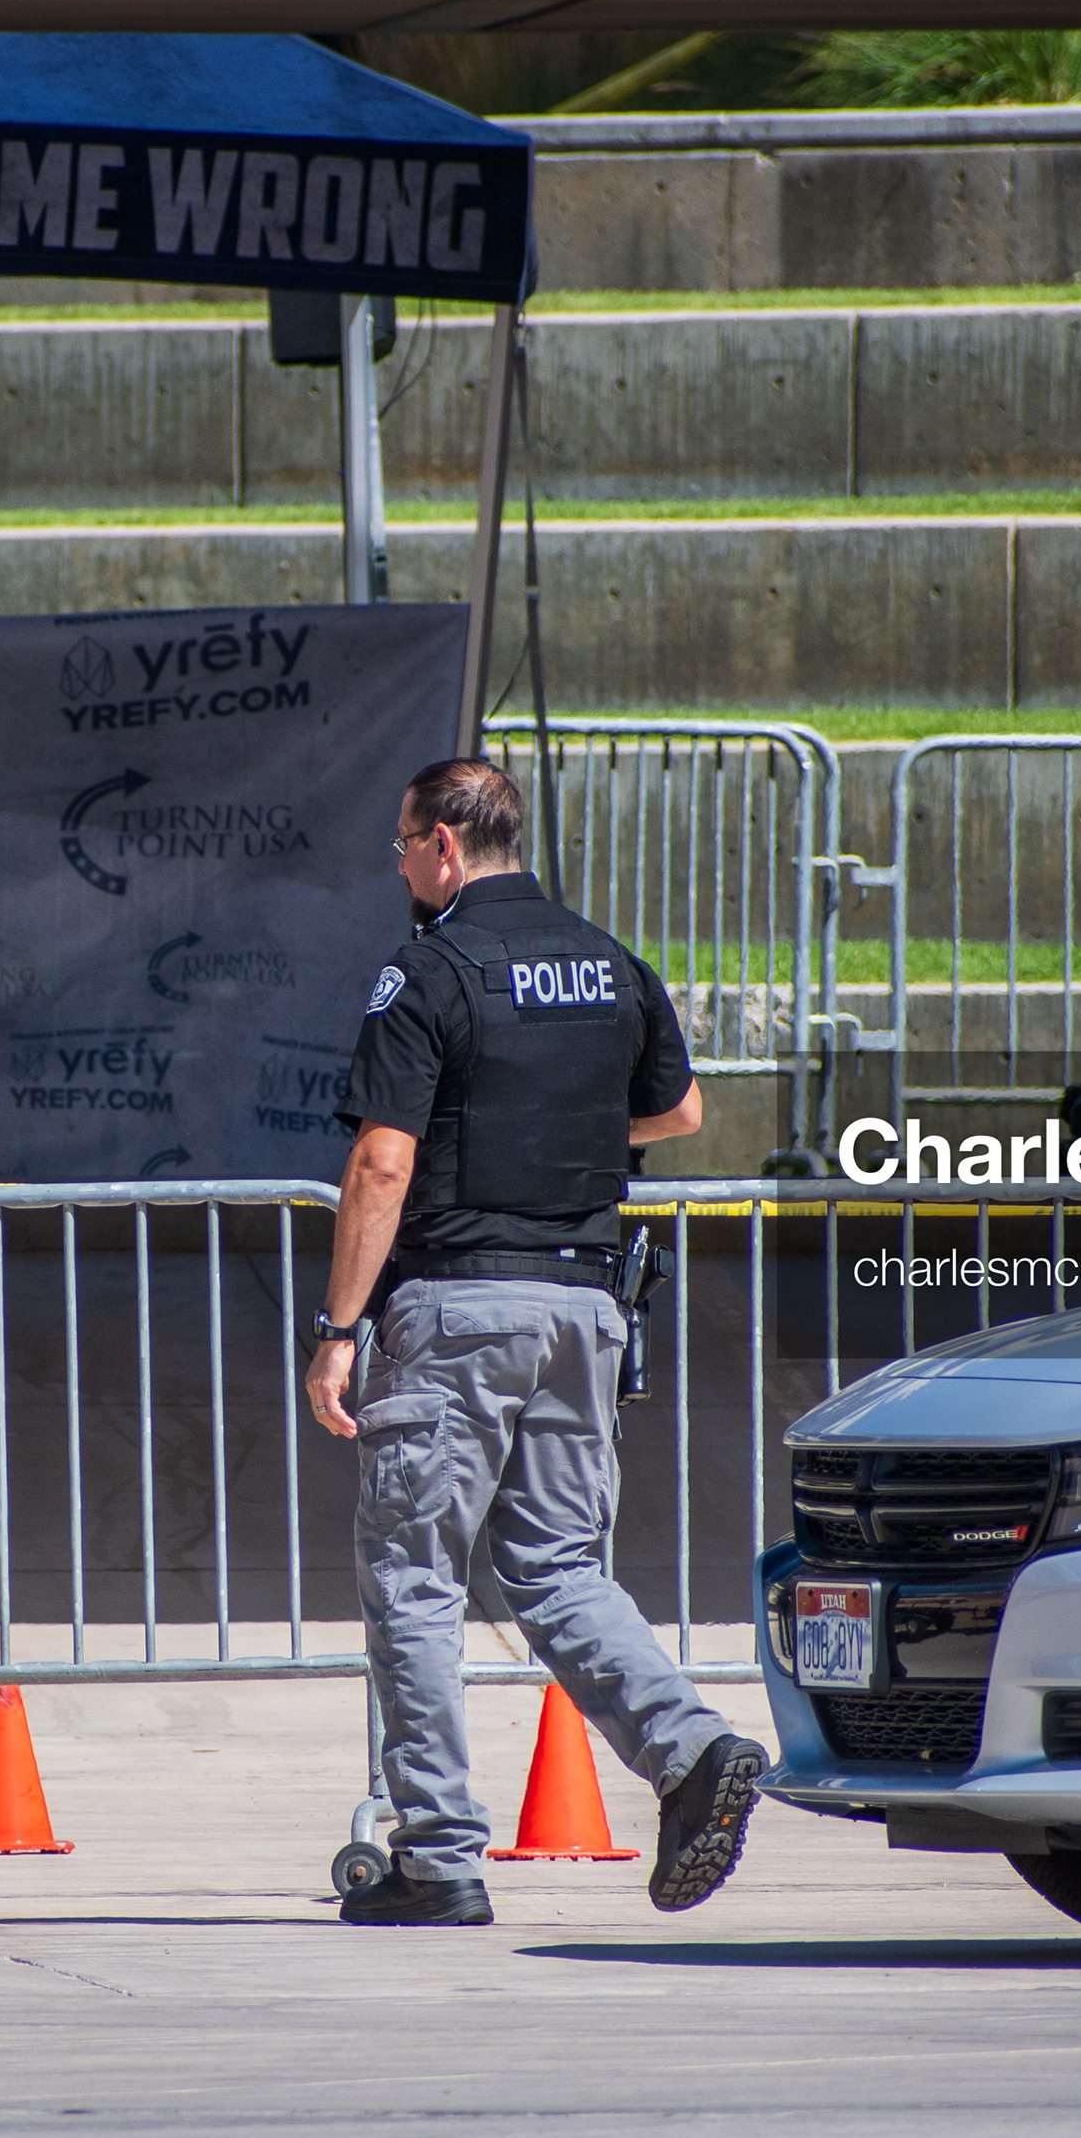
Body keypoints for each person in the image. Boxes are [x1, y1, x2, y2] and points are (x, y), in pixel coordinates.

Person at [302, 757, 768, 1927]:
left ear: (446, 846)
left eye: (405, 845)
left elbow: (383, 1161)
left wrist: (338, 1328)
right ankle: (692, 1747)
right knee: (560, 1569)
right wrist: (554, 1121)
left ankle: (440, 1856)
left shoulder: (428, 968)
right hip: (584, 1307)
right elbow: (681, 1109)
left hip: (457, 1308)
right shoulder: (611, 962)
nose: (401, 867)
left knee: (414, 1580)